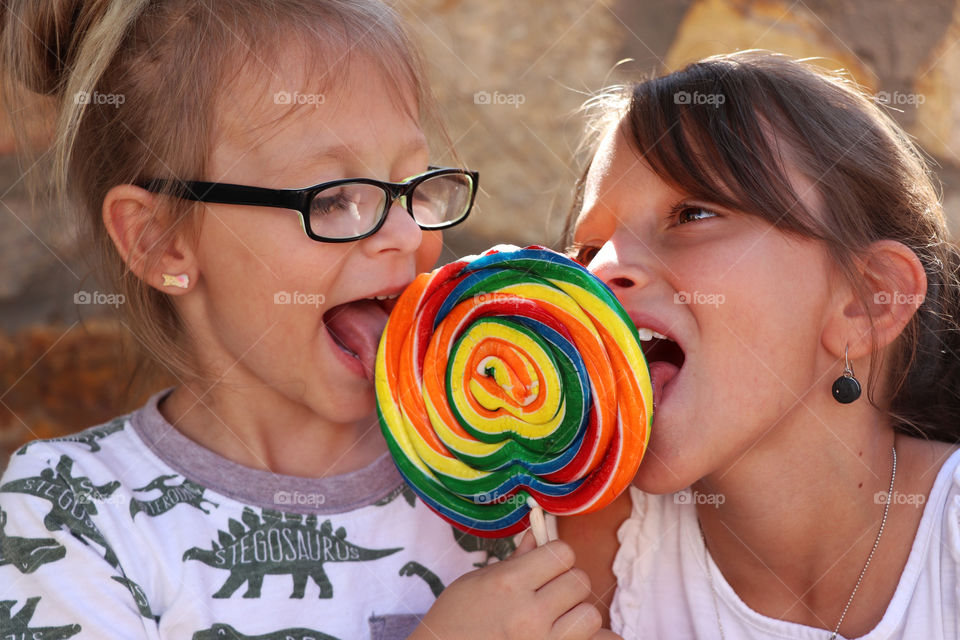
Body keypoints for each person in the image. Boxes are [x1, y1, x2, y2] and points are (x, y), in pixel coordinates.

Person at [0, 2, 606, 638]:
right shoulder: (70, 514)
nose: (405, 233)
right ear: (160, 241)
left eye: (415, 184)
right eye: (336, 198)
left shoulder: (502, 468)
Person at [561, 50, 960, 639]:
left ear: (867, 300)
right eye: (590, 248)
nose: (603, 270)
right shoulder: (587, 553)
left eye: (692, 213)